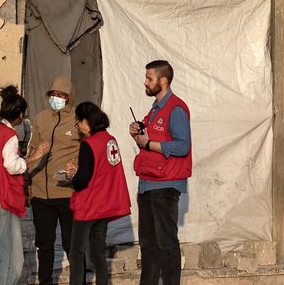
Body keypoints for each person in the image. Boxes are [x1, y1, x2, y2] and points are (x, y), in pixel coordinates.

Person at [0, 85, 51, 285]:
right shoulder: (10, 136)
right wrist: (33, 158)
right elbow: (11, 165)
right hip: (4, 198)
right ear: (19, 115)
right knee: (8, 253)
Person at [129, 60, 191, 285]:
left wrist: (149, 143)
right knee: (147, 243)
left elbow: (183, 145)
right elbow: (147, 141)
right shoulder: (155, 108)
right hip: (147, 183)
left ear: (162, 80)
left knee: (165, 243)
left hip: (165, 186)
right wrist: (136, 134)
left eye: (149, 78)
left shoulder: (175, 108)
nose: (145, 82)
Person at [65, 102, 130, 285]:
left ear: (86, 121)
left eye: (78, 122)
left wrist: (72, 175)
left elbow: (82, 181)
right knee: (97, 252)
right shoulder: (110, 140)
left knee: (76, 253)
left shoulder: (88, 144)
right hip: (105, 205)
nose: (77, 127)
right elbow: (101, 170)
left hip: (88, 206)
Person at [27, 75, 79, 284]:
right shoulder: (40, 118)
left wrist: (77, 166)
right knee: (44, 244)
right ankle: (46, 281)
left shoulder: (77, 118)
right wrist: (29, 180)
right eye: (53, 94)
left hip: (67, 191)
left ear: (69, 97)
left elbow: (87, 150)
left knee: (71, 243)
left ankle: (78, 280)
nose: (56, 98)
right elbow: (33, 149)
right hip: (41, 192)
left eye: (61, 95)